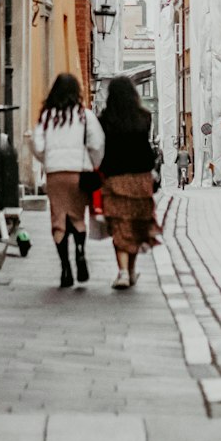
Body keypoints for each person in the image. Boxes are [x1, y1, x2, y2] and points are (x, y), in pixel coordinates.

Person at [32, 73, 104, 289]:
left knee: (58, 219)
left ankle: (65, 269)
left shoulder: (47, 116)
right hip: (78, 173)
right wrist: (93, 163)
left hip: (55, 173)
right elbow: (97, 143)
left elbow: (37, 144)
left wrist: (47, 160)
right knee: (77, 216)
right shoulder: (85, 115)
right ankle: (80, 253)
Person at [100, 76, 161, 289]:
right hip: (141, 178)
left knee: (119, 225)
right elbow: (146, 146)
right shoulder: (144, 117)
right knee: (136, 226)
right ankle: (131, 270)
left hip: (115, 177)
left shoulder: (106, 118)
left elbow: (102, 149)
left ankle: (124, 271)